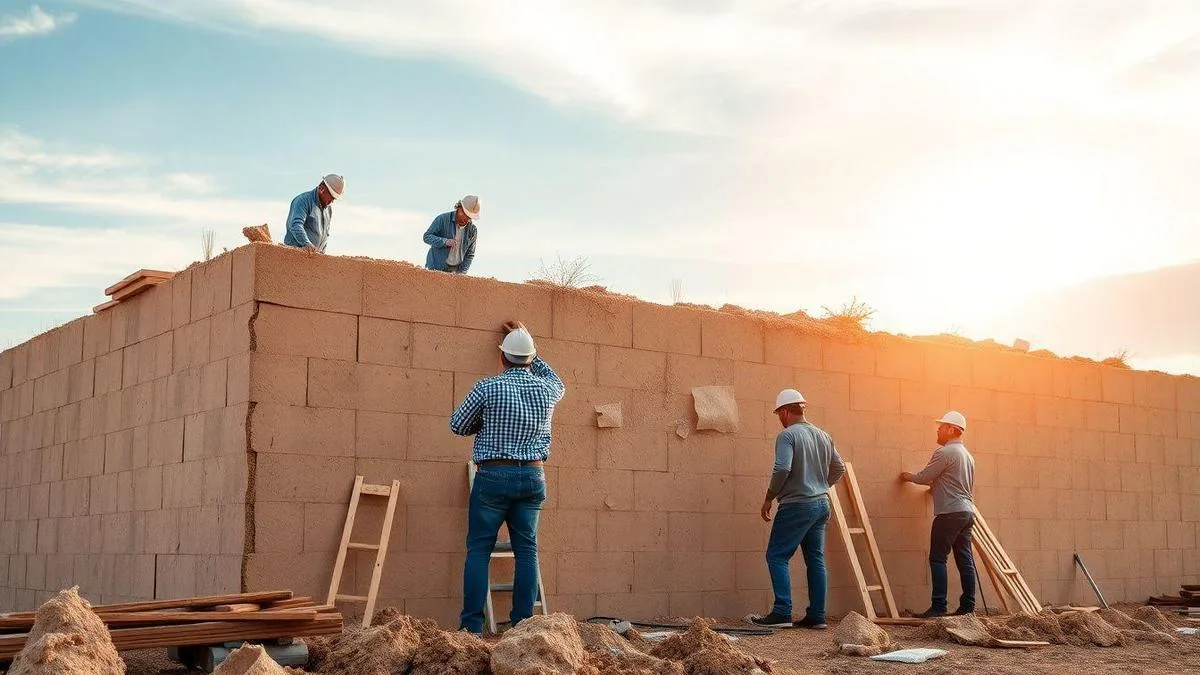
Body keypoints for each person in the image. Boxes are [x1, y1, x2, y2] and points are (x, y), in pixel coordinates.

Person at [450, 320, 565, 635]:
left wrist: (483, 426)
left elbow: (458, 425)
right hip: (532, 476)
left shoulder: (487, 387)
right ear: (531, 358)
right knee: (527, 550)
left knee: (479, 549)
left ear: (501, 357)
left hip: (493, 476)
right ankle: (523, 625)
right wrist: (529, 340)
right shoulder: (548, 389)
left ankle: (472, 627)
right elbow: (555, 378)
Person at [749, 389, 846, 629]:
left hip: (797, 504)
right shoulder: (823, 435)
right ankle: (817, 616)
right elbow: (839, 469)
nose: (779, 419)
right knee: (816, 559)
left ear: (784, 411)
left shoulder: (788, 436)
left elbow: (782, 468)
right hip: (822, 504)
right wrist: (821, 485)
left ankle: (782, 611)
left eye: (778, 414)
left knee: (777, 555)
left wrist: (769, 497)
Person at [900, 410, 977, 618]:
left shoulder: (944, 453)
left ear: (952, 429)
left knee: (937, 558)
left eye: (941, 427)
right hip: (966, 512)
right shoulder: (967, 455)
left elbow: (925, 476)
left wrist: (907, 477)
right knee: (965, 560)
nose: (938, 430)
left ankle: (939, 607)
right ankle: (968, 608)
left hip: (949, 512)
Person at [282, 174, 344, 253]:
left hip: (313, 258)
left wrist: (322, 253)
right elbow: (295, 225)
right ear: (322, 188)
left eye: (334, 199)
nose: (332, 201)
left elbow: (325, 235)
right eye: (331, 196)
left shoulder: (328, 210)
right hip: (295, 255)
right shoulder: (303, 201)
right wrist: (306, 243)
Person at [424, 195, 480, 273]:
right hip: (435, 268)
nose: (465, 220)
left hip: (454, 272)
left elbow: (470, 254)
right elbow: (427, 237)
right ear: (459, 208)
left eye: (468, 217)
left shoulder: (472, 230)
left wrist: (461, 273)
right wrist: (445, 242)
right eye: (464, 215)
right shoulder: (442, 219)